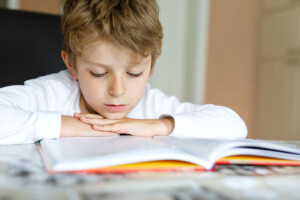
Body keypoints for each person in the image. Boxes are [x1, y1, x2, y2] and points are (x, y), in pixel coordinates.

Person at [0, 0, 247, 145]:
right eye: (98, 73)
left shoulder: (152, 105)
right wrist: (78, 127)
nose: (117, 91)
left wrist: (157, 126)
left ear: (152, 64)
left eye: (135, 73)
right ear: (72, 64)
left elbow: (234, 125)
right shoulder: (52, 94)